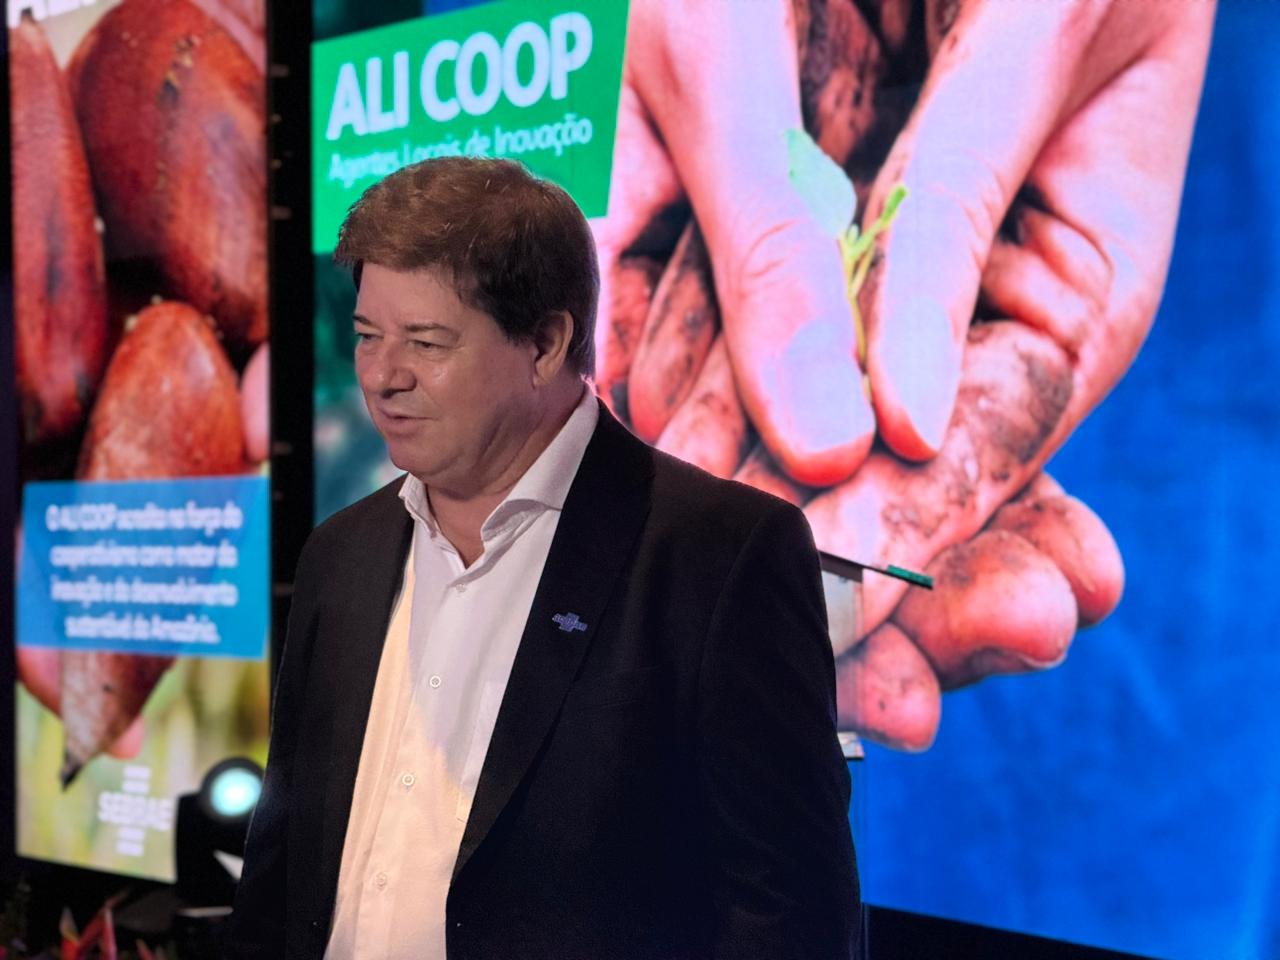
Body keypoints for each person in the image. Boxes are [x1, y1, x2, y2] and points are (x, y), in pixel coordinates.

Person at [224, 157, 860, 960]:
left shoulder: (720, 558)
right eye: (367, 337)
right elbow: (278, 878)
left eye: (425, 342)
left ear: (546, 344)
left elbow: (792, 919)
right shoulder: (338, 556)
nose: (382, 377)